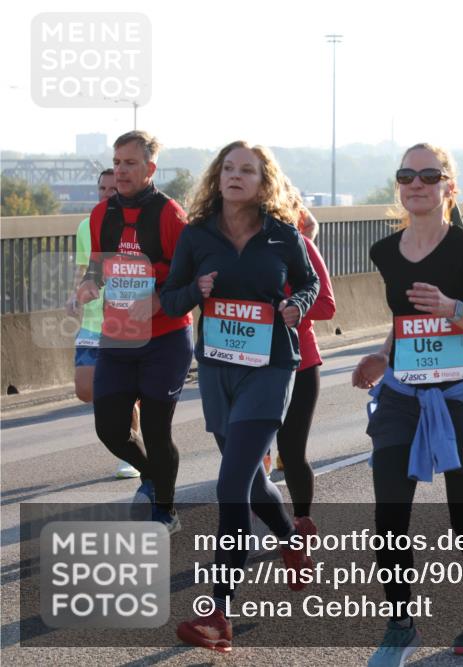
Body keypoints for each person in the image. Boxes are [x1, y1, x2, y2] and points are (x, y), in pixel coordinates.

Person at [351, 143, 463, 665]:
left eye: (428, 174)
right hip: (402, 395)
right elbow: (404, 324)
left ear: (448, 186)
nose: (416, 183)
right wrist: (381, 356)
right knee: (389, 515)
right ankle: (401, 623)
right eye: (406, 175)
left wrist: (453, 308)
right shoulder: (384, 251)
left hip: (460, 393)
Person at [163, 141, 320, 652]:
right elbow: (170, 296)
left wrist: (296, 304)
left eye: (246, 170)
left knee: (230, 486)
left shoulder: (281, 235)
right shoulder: (197, 234)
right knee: (251, 480)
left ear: (262, 181)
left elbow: (310, 284)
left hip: (270, 368)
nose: (235, 176)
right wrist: (196, 293)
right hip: (216, 370)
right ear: (218, 177)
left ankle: (217, 616)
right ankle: (293, 542)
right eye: (228, 168)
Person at [76, 131, 194, 532]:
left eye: (130, 163)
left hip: (165, 339)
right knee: (109, 427)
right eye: (117, 162)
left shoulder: (170, 214)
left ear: (150, 168)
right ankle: (153, 475)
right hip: (119, 335)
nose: (121, 170)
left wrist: (160, 299)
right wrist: (87, 286)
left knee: (158, 431)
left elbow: (190, 277)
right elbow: (96, 266)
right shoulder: (101, 214)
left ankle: (166, 510)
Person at [66, 169, 140, 479]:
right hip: (95, 320)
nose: (107, 193)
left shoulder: (137, 225)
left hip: (126, 322)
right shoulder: (87, 226)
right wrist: (75, 294)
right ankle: (126, 413)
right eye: (102, 188)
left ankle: (134, 452)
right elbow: (86, 268)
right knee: (85, 389)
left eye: (113, 188)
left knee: (121, 393)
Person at [275, 195, 336, 532]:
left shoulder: (295, 241)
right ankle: (261, 522)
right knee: (244, 457)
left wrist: (291, 309)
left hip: (299, 362)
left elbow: (326, 305)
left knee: (291, 452)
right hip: (245, 363)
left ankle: (301, 524)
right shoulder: (227, 243)